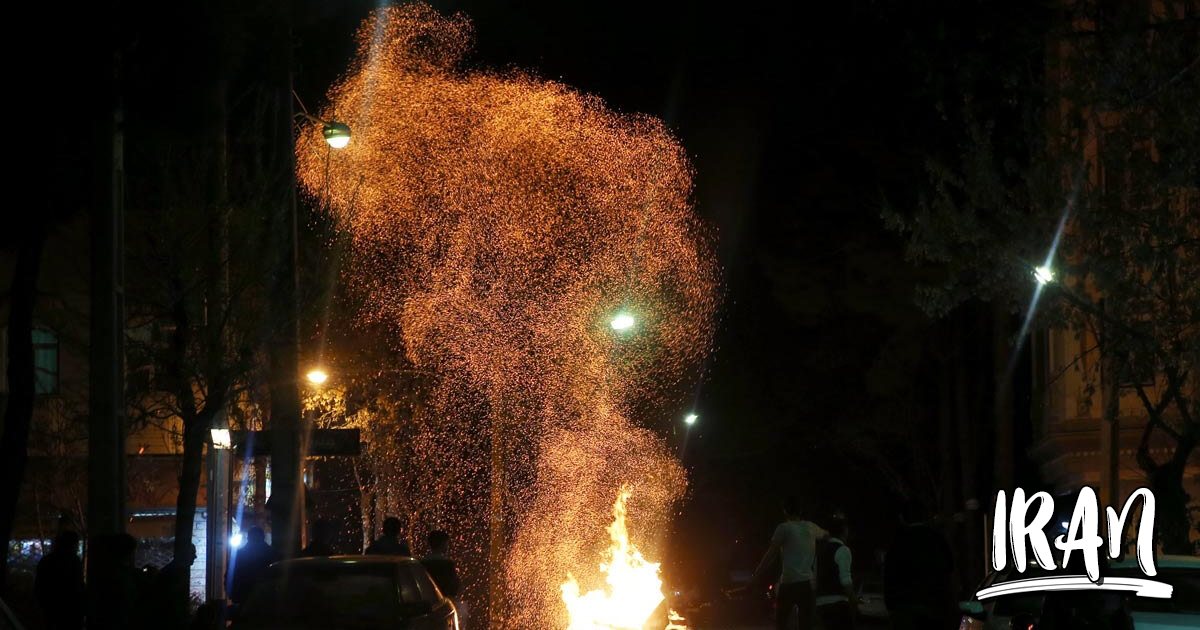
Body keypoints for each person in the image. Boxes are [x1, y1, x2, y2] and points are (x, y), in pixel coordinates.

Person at [751, 496, 828, 630]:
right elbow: (826, 535)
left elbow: (771, 554)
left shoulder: (784, 528)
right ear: (800, 511)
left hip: (788, 583)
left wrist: (757, 573)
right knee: (806, 625)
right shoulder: (811, 527)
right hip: (806, 584)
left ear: (785, 511)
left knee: (781, 624)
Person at [883, 503, 958, 630]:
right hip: (934, 607)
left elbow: (888, 576)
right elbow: (949, 571)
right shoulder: (937, 539)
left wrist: (891, 606)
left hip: (905, 609)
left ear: (903, 518)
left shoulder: (897, 542)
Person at [34, 531, 85, 630]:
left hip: (51, 609)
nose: (77, 547)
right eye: (76, 544)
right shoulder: (73, 560)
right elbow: (78, 586)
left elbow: (39, 587)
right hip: (70, 610)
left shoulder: (47, 560)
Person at [815, 518, 856, 630]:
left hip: (821, 603)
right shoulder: (843, 550)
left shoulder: (820, 552)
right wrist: (854, 600)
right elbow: (846, 581)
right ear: (844, 531)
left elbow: (815, 578)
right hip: (838, 604)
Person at [229, 527, 280, 604]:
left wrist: (233, 594)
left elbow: (231, 576)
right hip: (267, 599)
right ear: (263, 537)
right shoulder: (272, 553)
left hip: (244, 598)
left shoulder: (239, 555)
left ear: (248, 538)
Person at [420, 530, 461, 598]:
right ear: (443, 544)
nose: (448, 546)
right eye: (447, 543)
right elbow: (453, 586)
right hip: (443, 598)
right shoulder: (447, 563)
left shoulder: (422, 562)